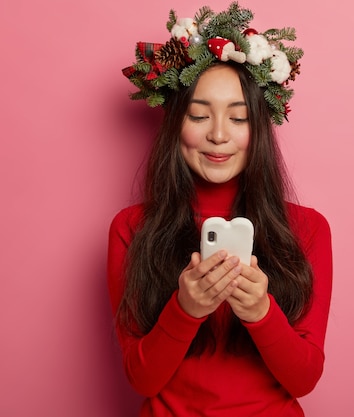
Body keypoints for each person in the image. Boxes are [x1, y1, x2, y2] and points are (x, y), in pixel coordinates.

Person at [107, 3, 333, 416]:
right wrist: (185, 310)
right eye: (198, 115)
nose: (217, 135)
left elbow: (304, 379)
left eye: (238, 118)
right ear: (176, 124)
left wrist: (262, 313)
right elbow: (142, 379)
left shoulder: (307, 228)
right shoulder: (131, 227)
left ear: (259, 129)